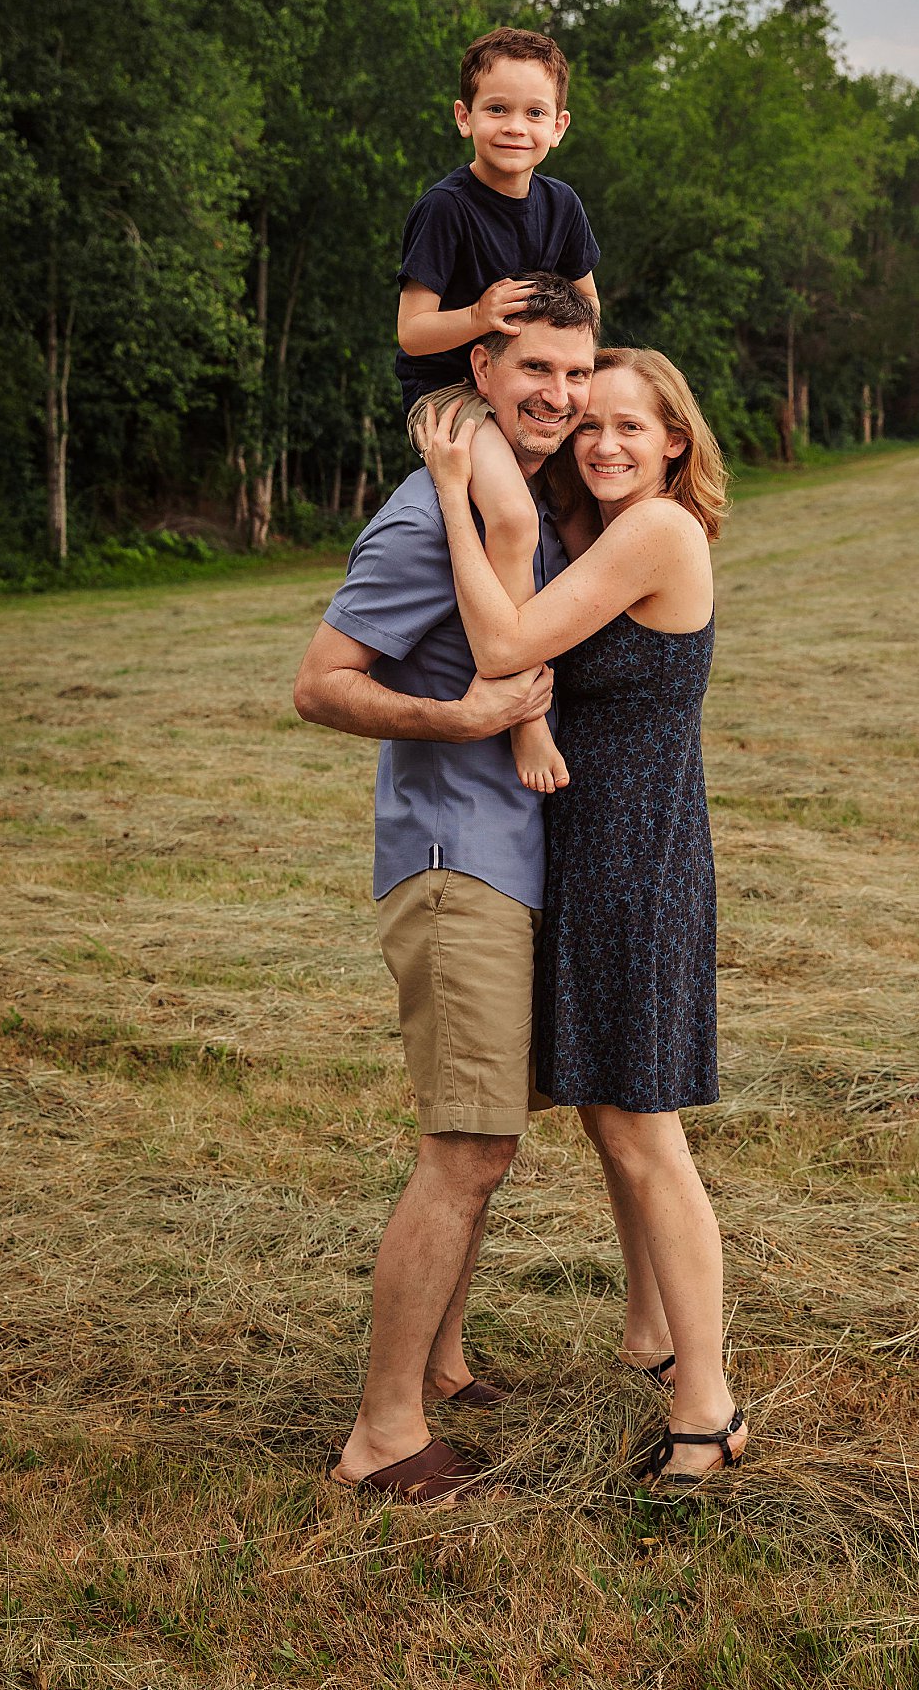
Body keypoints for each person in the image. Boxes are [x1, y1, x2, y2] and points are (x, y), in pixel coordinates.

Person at [293, 277, 598, 1508]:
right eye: (535, 371)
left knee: (490, 1142)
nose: (560, 397)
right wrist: (456, 715)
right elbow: (319, 681)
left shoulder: (517, 501)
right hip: (450, 864)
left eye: (577, 376)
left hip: (511, 865)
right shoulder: (429, 514)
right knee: (463, 1146)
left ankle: (446, 1362)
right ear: (481, 369)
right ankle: (382, 1431)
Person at [421, 347, 747, 1490]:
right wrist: (525, 727)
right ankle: (653, 1340)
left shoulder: (658, 532)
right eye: (591, 422)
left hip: (634, 856)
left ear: (674, 440)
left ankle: (708, 1399)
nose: (602, 441)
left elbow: (508, 647)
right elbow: (538, 672)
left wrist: (457, 497)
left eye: (631, 425)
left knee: (638, 1125)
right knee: (617, 1112)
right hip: (596, 844)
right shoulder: (602, 531)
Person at [396, 26, 600, 796]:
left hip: (526, 388)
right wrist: (479, 315)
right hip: (449, 396)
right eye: (496, 109)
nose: (514, 127)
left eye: (532, 112)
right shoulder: (445, 209)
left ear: (558, 126)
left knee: (597, 489)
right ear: (463, 116)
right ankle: (522, 710)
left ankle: (594, 658)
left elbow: (586, 308)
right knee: (513, 520)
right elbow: (414, 331)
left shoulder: (562, 204)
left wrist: (590, 385)